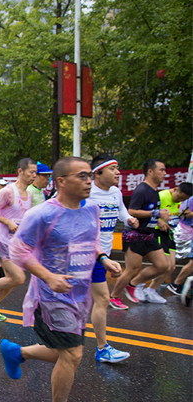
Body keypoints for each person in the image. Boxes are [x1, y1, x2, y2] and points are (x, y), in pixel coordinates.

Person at [0, 157, 122, 402]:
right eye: (82, 176)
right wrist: (48, 277)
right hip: (50, 296)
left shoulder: (92, 208)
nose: (89, 181)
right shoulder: (42, 214)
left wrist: (103, 258)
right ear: (62, 181)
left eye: (90, 175)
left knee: (64, 352)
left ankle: (16, 352)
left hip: (79, 294)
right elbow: (18, 251)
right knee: (73, 354)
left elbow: (89, 241)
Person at [87, 154, 137, 362]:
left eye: (118, 168)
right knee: (68, 300)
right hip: (81, 255)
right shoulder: (86, 193)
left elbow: (121, 212)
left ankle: (102, 348)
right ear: (98, 172)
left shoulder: (116, 192)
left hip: (101, 255)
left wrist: (129, 219)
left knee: (102, 299)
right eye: (112, 168)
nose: (118, 172)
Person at [0, 158, 37, 321]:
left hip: (16, 242)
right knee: (18, 278)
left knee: (11, 281)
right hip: (1, 240)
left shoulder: (28, 194)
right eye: (31, 172)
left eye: (35, 173)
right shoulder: (8, 191)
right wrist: (7, 222)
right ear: (20, 171)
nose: (34, 176)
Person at [110, 160, 170, 305]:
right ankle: (114, 296)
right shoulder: (141, 190)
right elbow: (132, 211)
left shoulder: (155, 191)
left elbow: (150, 214)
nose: (164, 173)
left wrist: (159, 219)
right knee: (132, 269)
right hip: (134, 235)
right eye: (161, 170)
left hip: (149, 235)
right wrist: (155, 213)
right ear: (150, 171)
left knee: (163, 266)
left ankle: (133, 284)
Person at [144, 182, 193, 295]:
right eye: (179, 197)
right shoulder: (161, 196)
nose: (179, 200)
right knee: (163, 266)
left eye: (183, 199)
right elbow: (144, 212)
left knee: (171, 267)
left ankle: (151, 291)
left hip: (169, 233)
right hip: (156, 232)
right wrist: (158, 221)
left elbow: (177, 216)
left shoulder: (183, 203)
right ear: (175, 189)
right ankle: (137, 283)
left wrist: (186, 214)